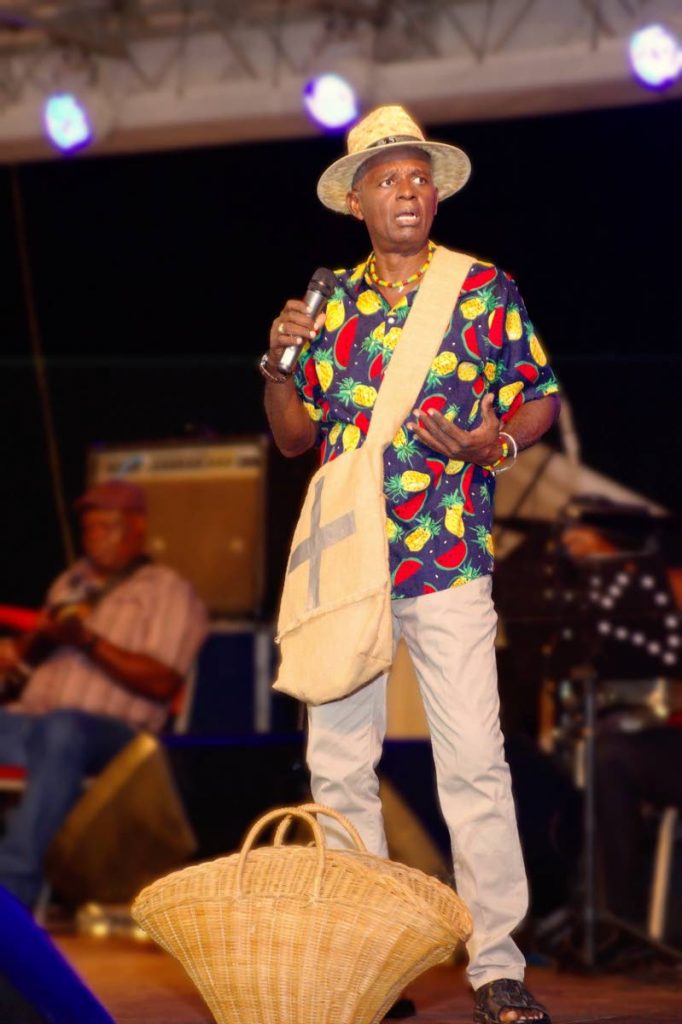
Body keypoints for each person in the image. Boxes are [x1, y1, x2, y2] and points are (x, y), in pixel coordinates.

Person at [261, 106, 561, 1024]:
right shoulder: (328, 307)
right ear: (356, 201)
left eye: (420, 176)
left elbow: (540, 398)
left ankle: (495, 966)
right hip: (347, 563)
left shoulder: (483, 289)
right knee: (340, 764)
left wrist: (491, 444)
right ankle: (370, 965)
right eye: (389, 178)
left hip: (450, 555)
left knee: (474, 759)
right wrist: (276, 366)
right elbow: (290, 438)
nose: (410, 190)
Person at [0, 479, 207, 910]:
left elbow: (161, 681)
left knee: (62, 730)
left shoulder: (166, 590)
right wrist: (28, 646)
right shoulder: (68, 584)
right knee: (51, 733)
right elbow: (26, 665)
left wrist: (87, 641)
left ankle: (11, 897)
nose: (94, 537)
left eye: (106, 527)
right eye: (89, 528)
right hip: (35, 724)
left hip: (118, 738)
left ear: (136, 528)